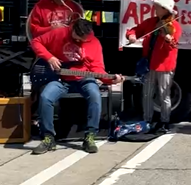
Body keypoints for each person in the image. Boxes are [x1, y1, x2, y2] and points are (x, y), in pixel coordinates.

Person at [30, 19, 124, 155]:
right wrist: (49, 57)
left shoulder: (94, 43)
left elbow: (97, 68)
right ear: (73, 29)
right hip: (60, 79)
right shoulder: (59, 33)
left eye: (84, 39)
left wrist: (111, 80)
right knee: (45, 97)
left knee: (95, 95)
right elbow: (36, 42)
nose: (81, 41)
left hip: (84, 79)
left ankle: (90, 136)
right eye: (78, 38)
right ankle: (48, 137)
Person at [126, 0, 182, 134]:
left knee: (164, 95)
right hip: (149, 64)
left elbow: (173, 46)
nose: (155, 8)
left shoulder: (173, 26)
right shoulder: (151, 22)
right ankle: (147, 120)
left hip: (165, 65)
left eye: (157, 6)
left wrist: (167, 38)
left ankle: (164, 121)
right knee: (147, 94)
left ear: (164, 9)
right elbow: (135, 30)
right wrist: (132, 36)